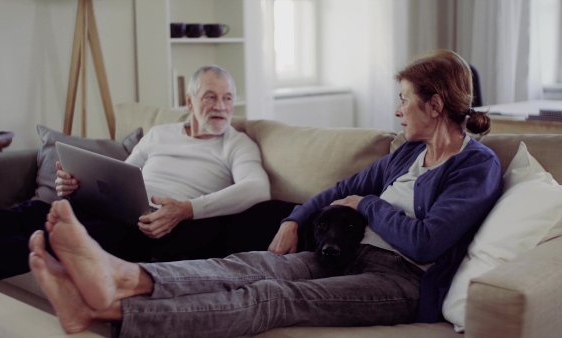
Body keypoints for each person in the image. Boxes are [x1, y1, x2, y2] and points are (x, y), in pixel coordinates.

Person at [28, 49, 503, 337]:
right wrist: (294, 220)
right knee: (249, 264)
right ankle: (121, 278)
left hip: (402, 283)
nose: (397, 110)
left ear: (435, 104)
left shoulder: (475, 166)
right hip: (349, 256)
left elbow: (425, 242)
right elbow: (341, 188)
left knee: (271, 297)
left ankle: (105, 310)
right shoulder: (407, 153)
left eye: (404, 98)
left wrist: (368, 205)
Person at [0, 65, 275, 283]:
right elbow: (124, 173)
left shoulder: (236, 144)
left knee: (53, 238)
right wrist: (76, 185)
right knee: (29, 213)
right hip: (118, 207)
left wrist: (187, 210)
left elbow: (257, 188)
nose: (221, 106)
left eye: (228, 98)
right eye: (210, 96)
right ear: (190, 101)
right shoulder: (160, 133)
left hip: (154, 227)